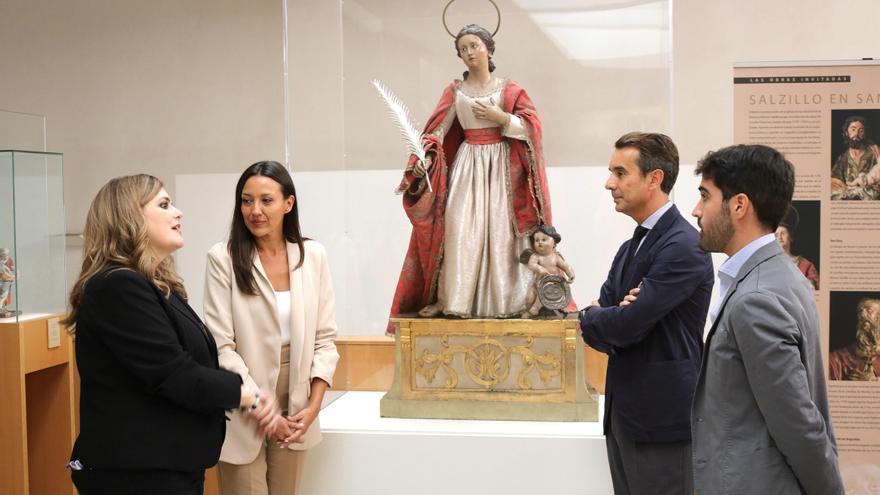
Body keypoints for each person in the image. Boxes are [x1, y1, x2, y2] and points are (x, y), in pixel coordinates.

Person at [65, 175, 276, 495]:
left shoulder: (158, 286)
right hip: (135, 473)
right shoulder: (117, 286)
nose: (178, 213)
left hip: (168, 466)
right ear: (129, 219)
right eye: (164, 205)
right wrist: (248, 395)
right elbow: (175, 374)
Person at [690, 144, 843, 493]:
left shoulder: (756, 297)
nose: (696, 210)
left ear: (739, 205)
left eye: (705, 196)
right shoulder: (782, 275)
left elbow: (798, 423)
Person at [387, 24, 555, 330]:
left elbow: (532, 128)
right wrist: (425, 158)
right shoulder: (455, 91)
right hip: (468, 165)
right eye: (463, 49)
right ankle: (456, 300)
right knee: (461, 228)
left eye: (474, 46)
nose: (469, 53)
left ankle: (509, 302)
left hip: (502, 168)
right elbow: (435, 132)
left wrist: (501, 118)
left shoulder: (510, 90)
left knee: (501, 231)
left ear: (488, 49)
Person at [578, 132, 714, 495]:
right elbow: (609, 321)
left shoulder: (684, 245)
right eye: (611, 173)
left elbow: (624, 326)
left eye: (621, 173)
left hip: (661, 421)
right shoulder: (630, 247)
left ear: (654, 178)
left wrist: (595, 316)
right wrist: (603, 316)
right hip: (625, 415)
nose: (610, 184)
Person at [204, 161, 339, 495]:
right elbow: (222, 347)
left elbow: (325, 340)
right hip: (243, 399)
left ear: (288, 204)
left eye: (266, 200)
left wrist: (312, 408)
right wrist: (265, 412)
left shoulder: (313, 255)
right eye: (246, 201)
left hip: (297, 403)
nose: (255, 210)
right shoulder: (223, 258)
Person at [522, 224, 574, 317]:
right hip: (538, 284)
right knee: (529, 298)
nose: (540, 242)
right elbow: (531, 265)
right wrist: (539, 268)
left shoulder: (555, 257)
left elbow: (566, 267)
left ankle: (538, 309)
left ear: (554, 243)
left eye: (544, 239)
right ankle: (530, 309)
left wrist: (571, 274)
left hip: (554, 285)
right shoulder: (536, 256)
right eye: (537, 240)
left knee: (554, 295)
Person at [829, 297, 880, 381]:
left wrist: (874, 381)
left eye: (869, 310)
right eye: (860, 311)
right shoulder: (836, 360)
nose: (862, 314)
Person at [831, 115, 880, 200]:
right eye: (853, 129)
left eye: (861, 131)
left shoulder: (874, 152)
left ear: (865, 133)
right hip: (848, 193)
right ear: (847, 132)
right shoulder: (843, 157)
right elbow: (834, 179)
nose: (856, 134)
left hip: (869, 194)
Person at [774, 222, 819, 290]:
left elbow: (814, 289)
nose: (780, 237)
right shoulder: (768, 264)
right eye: (776, 235)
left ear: (790, 237)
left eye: (783, 233)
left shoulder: (806, 265)